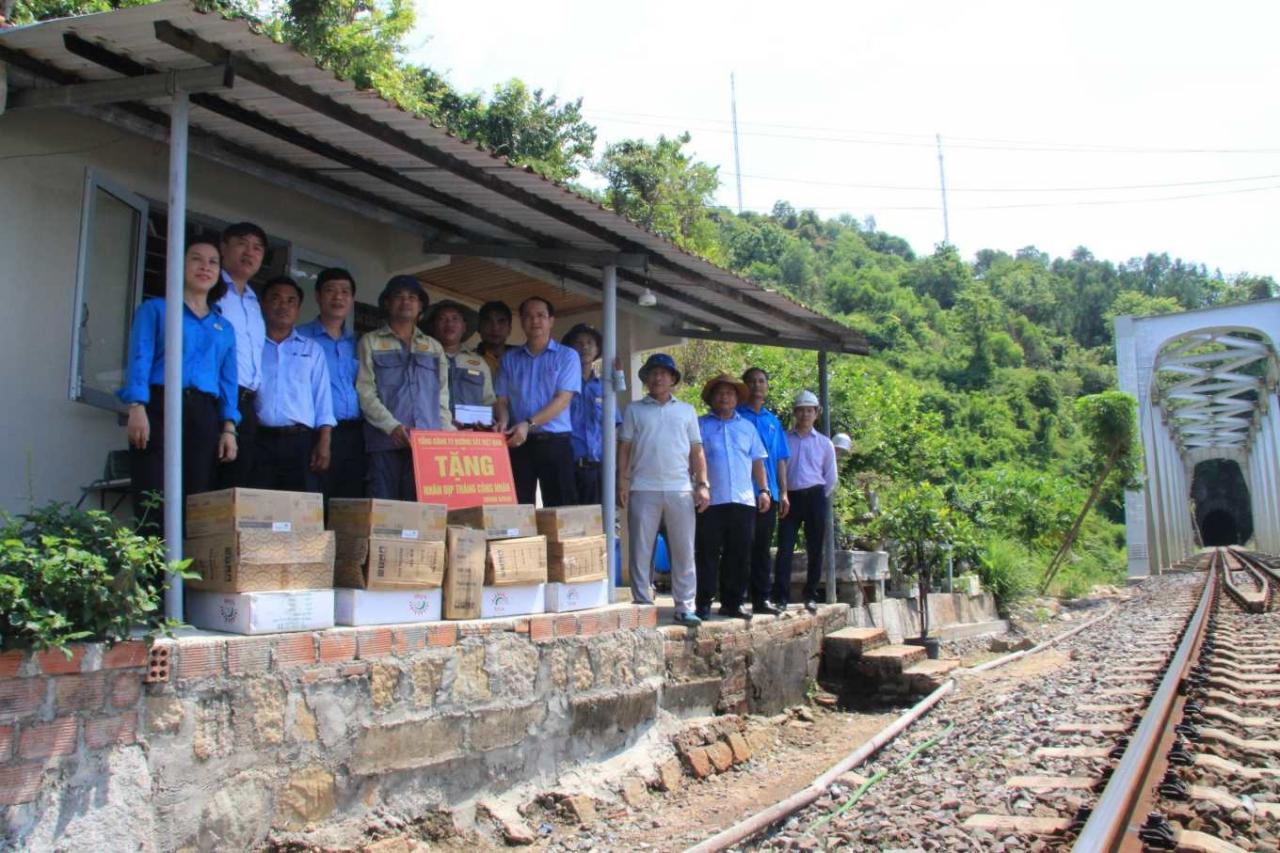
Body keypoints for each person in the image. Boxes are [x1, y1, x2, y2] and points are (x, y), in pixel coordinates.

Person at [118, 237, 238, 532]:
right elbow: (140, 357)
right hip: (159, 405)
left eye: (213, 262)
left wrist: (228, 429)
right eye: (196, 259)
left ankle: (188, 578)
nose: (205, 267)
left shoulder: (224, 327)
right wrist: (136, 406)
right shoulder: (157, 309)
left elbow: (228, 382)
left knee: (197, 495)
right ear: (179, 265)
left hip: (203, 413)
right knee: (152, 493)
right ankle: (150, 576)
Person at [618, 353, 708, 627]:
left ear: (672, 379)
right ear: (645, 379)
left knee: (683, 550)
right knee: (641, 549)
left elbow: (696, 450)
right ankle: (643, 603)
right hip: (643, 487)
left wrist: (702, 484)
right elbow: (625, 447)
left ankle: (684, 606)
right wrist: (623, 481)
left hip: (680, 488)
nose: (658, 378)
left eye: (664, 373)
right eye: (653, 373)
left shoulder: (687, 411)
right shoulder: (634, 409)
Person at [356, 275, 452, 501]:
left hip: (427, 447)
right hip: (385, 443)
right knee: (384, 515)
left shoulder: (433, 347)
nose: (405, 301)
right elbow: (365, 391)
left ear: (420, 306)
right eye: (398, 296)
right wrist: (392, 427)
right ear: (387, 303)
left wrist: (447, 439)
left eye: (412, 297)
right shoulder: (370, 342)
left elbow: (442, 398)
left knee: (422, 517)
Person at [695, 373, 770, 620]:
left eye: (729, 393)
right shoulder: (700, 425)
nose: (724, 397)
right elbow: (692, 458)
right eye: (719, 393)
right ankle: (703, 602)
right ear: (712, 398)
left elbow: (757, 461)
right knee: (706, 552)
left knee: (739, 553)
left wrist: (764, 490)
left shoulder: (747, 427)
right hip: (710, 500)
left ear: (737, 398)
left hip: (743, 500)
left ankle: (732, 602)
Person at [493, 296, 580, 506]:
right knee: (517, 510)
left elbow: (562, 400)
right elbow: (501, 400)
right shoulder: (509, 358)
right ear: (521, 322)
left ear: (551, 320)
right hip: (517, 443)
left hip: (555, 442)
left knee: (562, 512)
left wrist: (528, 423)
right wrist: (503, 421)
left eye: (541, 315)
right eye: (529, 316)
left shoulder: (567, 356)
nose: (535, 321)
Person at [251, 276, 335, 492]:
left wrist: (324, 442)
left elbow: (322, 399)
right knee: (259, 508)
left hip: (301, 442)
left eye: (291, 301)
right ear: (263, 303)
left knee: (302, 509)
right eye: (276, 299)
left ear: (298, 308)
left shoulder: (311, 349)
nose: (284, 306)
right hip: (258, 439)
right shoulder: (252, 344)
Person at [297, 267, 366, 501]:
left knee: (348, 501)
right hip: (315, 432)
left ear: (352, 299)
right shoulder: (300, 337)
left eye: (345, 292)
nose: (338, 297)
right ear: (317, 296)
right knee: (316, 500)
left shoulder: (359, 343)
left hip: (355, 433)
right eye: (330, 291)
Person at [773, 390, 839, 613]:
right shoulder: (784, 439)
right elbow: (777, 467)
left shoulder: (824, 443)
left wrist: (818, 495)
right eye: (800, 410)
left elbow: (831, 477)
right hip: (790, 497)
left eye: (809, 410)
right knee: (785, 548)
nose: (804, 415)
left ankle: (810, 595)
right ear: (794, 413)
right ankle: (780, 596)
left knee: (814, 549)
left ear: (816, 413)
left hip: (815, 496)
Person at [213, 221, 267, 488]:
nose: (250, 252)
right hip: (215, 395)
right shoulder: (212, 290)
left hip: (246, 402)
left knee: (237, 487)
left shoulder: (254, 301)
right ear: (223, 248)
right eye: (242, 244)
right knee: (208, 482)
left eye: (257, 248)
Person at [738, 367, 789, 616]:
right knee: (741, 546)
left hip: (770, 494)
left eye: (761, 381)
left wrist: (784, 492)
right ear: (744, 387)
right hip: (743, 493)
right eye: (752, 382)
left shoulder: (772, 421)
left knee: (762, 548)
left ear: (767, 386)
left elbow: (780, 459)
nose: (757, 386)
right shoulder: (737, 416)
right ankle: (737, 597)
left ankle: (762, 599)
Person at [562, 322, 620, 504]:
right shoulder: (560, 384)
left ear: (597, 350)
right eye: (578, 343)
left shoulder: (605, 387)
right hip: (567, 468)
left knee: (600, 526)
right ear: (569, 349)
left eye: (589, 343)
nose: (584, 347)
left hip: (599, 469)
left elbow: (613, 428)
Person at [426, 299, 494, 423]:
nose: (449, 324)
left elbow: (489, 402)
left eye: (455, 319)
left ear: (464, 327)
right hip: (432, 432)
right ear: (433, 326)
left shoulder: (479, 363)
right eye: (442, 319)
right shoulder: (423, 358)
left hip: (471, 435)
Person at [473, 300, 513, 377]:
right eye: (488, 321)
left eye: (501, 321)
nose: (495, 328)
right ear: (478, 327)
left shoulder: (521, 359)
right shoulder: (468, 359)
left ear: (509, 329)